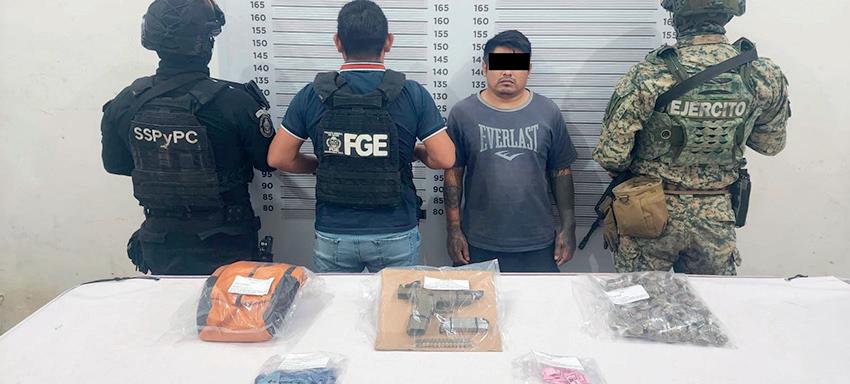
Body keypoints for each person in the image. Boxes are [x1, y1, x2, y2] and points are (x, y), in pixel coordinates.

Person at [593, 0, 791, 274]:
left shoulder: (650, 73)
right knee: (711, 299)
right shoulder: (762, 74)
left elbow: (611, 155)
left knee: (641, 298)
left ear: (676, 16)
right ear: (729, 14)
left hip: (649, 211)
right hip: (716, 215)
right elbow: (770, 145)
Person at [266, 0, 455, 273]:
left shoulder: (312, 94)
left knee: (335, 302)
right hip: (395, 231)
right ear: (388, 42)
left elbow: (278, 157)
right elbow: (444, 158)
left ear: (337, 42)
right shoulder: (412, 93)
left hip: (334, 232)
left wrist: (321, 164)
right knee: (394, 301)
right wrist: (415, 152)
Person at [101, 0, 276, 275]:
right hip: (227, 242)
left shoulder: (127, 102)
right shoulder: (236, 103)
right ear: (207, 42)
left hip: (159, 243)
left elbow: (116, 165)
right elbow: (268, 162)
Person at [443, 30, 579, 273]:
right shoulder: (462, 114)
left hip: (538, 242)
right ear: (484, 68)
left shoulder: (548, 112)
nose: (507, 72)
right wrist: (453, 229)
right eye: (499, 64)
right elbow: (453, 174)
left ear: (529, 69)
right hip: (478, 242)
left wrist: (569, 227)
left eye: (516, 65)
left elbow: (561, 173)